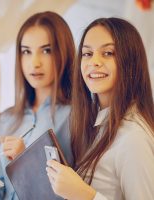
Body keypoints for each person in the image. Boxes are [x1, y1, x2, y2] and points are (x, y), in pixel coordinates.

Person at [0, 11, 76, 200]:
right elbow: (3, 189)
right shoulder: (7, 119)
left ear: (64, 52)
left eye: (46, 50)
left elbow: (73, 192)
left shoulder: (76, 116)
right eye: (26, 51)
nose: (34, 63)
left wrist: (25, 161)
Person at [46, 17, 154, 200]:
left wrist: (87, 195)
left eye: (108, 53)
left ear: (131, 61)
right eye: (87, 54)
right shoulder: (97, 123)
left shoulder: (133, 138)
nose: (93, 61)